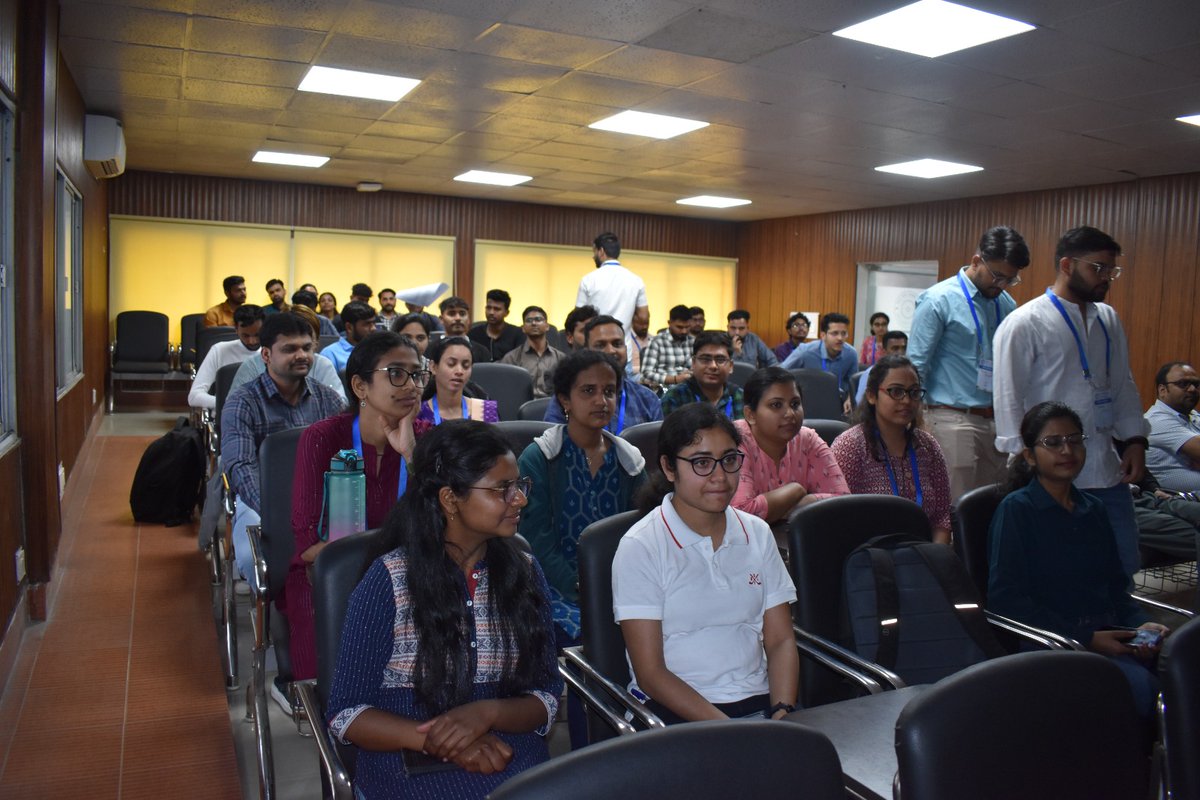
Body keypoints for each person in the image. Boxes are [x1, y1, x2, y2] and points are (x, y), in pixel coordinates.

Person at [326, 421, 562, 798]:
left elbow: (547, 696)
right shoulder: (390, 579)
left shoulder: (525, 573)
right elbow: (346, 713)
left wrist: (489, 713)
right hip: (406, 761)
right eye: (503, 489)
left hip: (512, 758)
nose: (520, 499)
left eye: (519, 486)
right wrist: (443, 741)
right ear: (450, 499)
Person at [612, 403, 798, 724]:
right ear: (669, 469)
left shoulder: (757, 533)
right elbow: (651, 673)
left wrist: (783, 711)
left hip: (758, 702)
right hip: (675, 709)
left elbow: (780, 641)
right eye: (701, 463)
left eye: (729, 460)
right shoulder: (641, 546)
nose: (720, 476)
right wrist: (727, 730)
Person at [987, 402, 1169, 716]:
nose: (1067, 450)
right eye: (1053, 443)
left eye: (1074, 440)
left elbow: (1115, 587)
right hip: (1051, 642)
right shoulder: (1018, 510)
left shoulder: (1093, 509)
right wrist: (1087, 639)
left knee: (1180, 670)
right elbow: (1006, 600)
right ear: (1030, 456)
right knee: (1142, 691)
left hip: (1107, 632)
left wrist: (1140, 625)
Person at [993, 226, 1149, 580]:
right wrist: (1023, 461)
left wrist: (1136, 440)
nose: (1106, 278)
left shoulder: (1107, 318)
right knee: (1062, 573)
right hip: (1051, 471)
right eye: (1098, 268)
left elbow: (1123, 383)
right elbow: (1007, 397)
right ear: (1066, 264)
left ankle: (1119, 629)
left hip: (1106, 469)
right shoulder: (1025, 322)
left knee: (1122, 564)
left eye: (1112, 270)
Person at [287, 332, 432, 687]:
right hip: (331, 577)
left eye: (417, 374)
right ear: (360, 386)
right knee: (345, 688)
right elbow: (308, 542)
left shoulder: (427, 439)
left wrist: (411, 454)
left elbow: (443, 523)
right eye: (396, 373)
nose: (411, 385)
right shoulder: (323, 437)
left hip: (413, 578)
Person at [518, 350, 647, 743]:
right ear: (564, 399)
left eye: (609, 391)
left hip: (619, 584)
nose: (601, 401)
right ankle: (586, 747)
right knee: (588, 641)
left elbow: (640, 536)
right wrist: (582, 589)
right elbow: (536, 542)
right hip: (551, 586)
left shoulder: (629, 461)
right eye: (588, 391)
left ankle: (638, 743)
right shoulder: (540, 458)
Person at [221, 313, 345, 582]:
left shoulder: (328, 398)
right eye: (290, 349)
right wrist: (279, 512)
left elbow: (349, 452)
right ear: (266, 355)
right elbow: (241, 468)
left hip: (321, 501)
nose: (301, 355)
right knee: (257, 565)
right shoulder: (243, 402)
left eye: (307, 348)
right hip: (262, 503)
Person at [909, 226, 1030, 501]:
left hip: (995, 420)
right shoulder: (938, 300)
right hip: (951, 417)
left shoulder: (1006, 303)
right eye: (997, 276)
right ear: (977, 261)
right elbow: (916, 366)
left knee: (991, 503)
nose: (1001, 285)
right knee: (956, 506)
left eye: (1010, 280)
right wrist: (914, 419)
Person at [831, 355, 952, 544]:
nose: (906, 401)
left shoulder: (928, 446)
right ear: (872, 395)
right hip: (869, 558)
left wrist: (936, 557)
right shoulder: (850, 446)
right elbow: (838, 519)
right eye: (896, 391)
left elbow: (942, 517)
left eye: (913, 392)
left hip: (923, 555)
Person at [732, 367, 849, 523]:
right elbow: (740, 515)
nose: (790, 414)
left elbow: (843, 501)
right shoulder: (735, 440)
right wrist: (795, 490)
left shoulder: (808, 439)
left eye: (795, 404)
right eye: (776, 405)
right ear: (750, 415)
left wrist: (798, 505)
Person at [544, 316, 663, 432]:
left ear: (626, 349)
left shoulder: (647, 398)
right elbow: (553, 444)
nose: (611, 351)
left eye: (617, 344)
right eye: (600, 345)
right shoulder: (569, 397)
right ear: (586, 351)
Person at [231, 304, 346, 401]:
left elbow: (340, 407)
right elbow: (233, 409)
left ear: (315, 341)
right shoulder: (252, 366)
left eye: (306, 345)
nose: (301, 354)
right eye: (291, 347)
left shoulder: (323, 364)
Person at [780, 312, 858, 416]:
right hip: (808, 402)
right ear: (823, 335)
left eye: (844, 333)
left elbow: (852, 384)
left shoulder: (851, 354)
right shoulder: (805, 351)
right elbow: (780, 371)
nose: (840, 338)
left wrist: (849, 398)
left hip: (838, 403)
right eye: (834, 333)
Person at [188, 304, 264, 410]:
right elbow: (194, 396)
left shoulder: (274, 352)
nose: (252, 341)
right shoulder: (219, 350)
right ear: (236, 330)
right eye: (245, 335)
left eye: (257, 335)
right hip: (228, 416)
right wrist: (231, 403)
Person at [660, 331, 745, 421]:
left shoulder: (740, 396)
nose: (713, 366)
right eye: (705, 359)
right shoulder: (675, 397)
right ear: (693, 363)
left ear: (731, 366)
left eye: (720, 359)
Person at [575, 231, 649, 335]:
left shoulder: (588, 280)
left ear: (601, 251)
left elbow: (578, 318)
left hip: (595, 345)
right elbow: (643, 317)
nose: (593, 256)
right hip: (623, 345)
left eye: (594, 252)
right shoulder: (636, 280)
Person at [1145, 361, 1200, 494]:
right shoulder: (1155, 420)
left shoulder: (1193, 416)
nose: (1192, 389)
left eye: (1196, 384)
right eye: (1183, 384)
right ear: (1162, 390)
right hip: (1173, 502)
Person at [417, 336, 498, 425]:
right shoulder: (418, 413)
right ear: (433, 367)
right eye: (451, 364)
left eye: (466, 366)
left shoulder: (485, 410)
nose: (459, 371)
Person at [498, 305, 565, 398]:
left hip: (551, 406)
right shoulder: (511, 358)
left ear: (547, 326)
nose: (534, 323)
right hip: (522, 406)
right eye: (529, 320)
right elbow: (505, 388)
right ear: (523, 328)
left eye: (538, 319)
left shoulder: (561, 358)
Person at [639, 304, 695, 389]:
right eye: (679, 327)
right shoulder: (657, 342)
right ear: (669, 323)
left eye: (687, 327)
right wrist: (675, 379)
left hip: (689, 387)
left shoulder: (693, 341)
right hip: (664, 388)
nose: (684, 331)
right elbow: (646, 374)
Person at [319, 301, 376, 374]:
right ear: (349, 327)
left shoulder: (378, 350)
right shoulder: (330, 354)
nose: (373, 328)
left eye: (374, 323)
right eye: (367, 324)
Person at [468, 289, 524, 361]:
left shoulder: (518, 334)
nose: (491, 312)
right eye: (488, 308)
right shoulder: (474, 333)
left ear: (506, 313)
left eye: (497, 309)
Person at [855, 330, 907, 405]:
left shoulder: (909, 373)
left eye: (904, 348)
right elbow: (860, 404)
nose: (901, 353)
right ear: (884, 351)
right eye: (895, 348)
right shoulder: (871, 373)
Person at [630, 306, 651, 375]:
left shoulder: (655, 340)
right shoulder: (625, 340)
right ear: (632, 321)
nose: (644, 326)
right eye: (641, 324)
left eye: (646, 323)